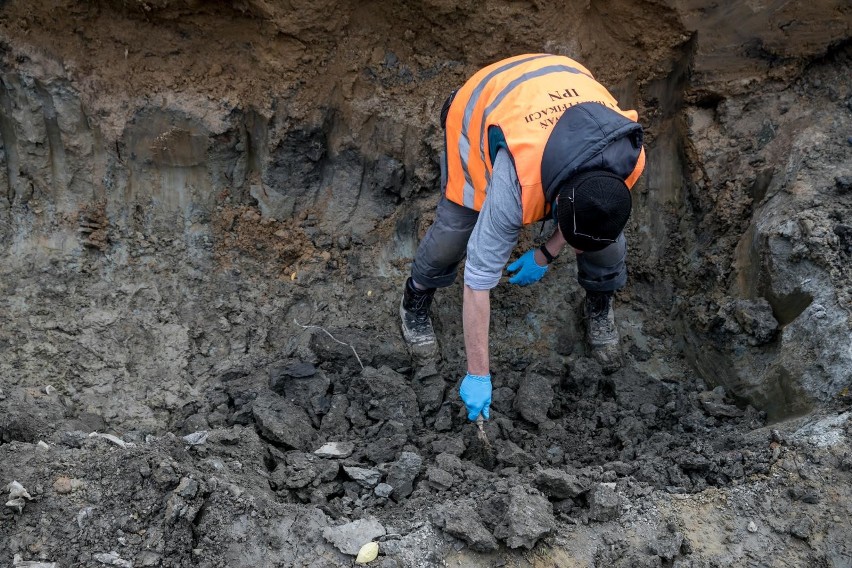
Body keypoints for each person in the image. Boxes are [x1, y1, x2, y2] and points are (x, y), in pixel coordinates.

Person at [400, 54, 646, 423]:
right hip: (484, 108)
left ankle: (598, 304)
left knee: (607, 242)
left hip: (561, 82)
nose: (576, 251)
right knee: (455, 231)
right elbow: (478, 280)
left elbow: (590, 211)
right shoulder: (515, 180)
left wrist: (547, 252)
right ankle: (414, 298)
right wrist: (478, 374)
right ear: (559, 202)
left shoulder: (630, 154)